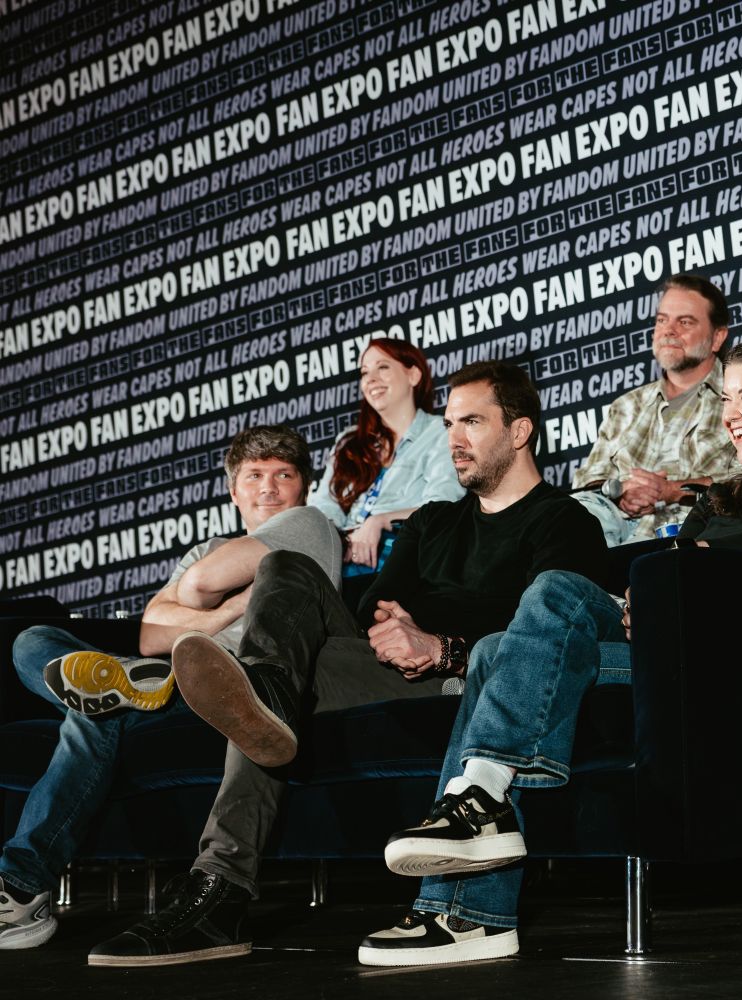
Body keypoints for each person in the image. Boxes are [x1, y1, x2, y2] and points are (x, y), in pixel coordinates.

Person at [358, 332, 742, 966]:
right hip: (665, 652)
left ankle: (467, 868)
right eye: (726, 399)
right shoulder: (719, 501)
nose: (730, 412)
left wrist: (694, 567)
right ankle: (470, 890)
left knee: (533, 616)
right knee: (502, 644)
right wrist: (645, 601)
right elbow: (673, 588)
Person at [80, 361, 607, 967]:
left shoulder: (566, 521)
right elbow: (372, 606)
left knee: (267, 684)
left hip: (465, 677)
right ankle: (225, 864)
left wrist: (437, 642)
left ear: (519, 432)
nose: (454, 438)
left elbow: (547, 629)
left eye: (473, 422)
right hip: (380, 664)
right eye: (450, 424)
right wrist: (397, 631)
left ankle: (223, 878)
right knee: (284, 575)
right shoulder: (434, 519)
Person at [0, 426, 343, 951]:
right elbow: (150, 631)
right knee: (33, 641)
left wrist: (200, 603)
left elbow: (199, 584)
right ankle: (124, 687)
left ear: (303, 486)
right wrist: (232, 607)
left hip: (234, 681)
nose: (269, 488)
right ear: (234, 491)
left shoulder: (310, 526)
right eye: (254, 476)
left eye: (284, 475)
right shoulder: (207, 546)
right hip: (168, 677)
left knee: (91, 714)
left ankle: (22, 886)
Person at [572, 274, 742, 545]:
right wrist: (620, 490)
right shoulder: (626, 406)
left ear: (717, 337)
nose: (668, 330)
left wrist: (673, 491)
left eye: (685, 322)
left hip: (691, 546)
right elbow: (586, 484)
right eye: (662, 320)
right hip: (610, 546)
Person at [309, 337, 463, 572]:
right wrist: (338, 541)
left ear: (413, 375)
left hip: (404, 558)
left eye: (383, 367)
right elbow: (324, 508)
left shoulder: (440, 433)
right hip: (341, 561)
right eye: (364, 372)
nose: (370, 379)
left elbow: (443, 507)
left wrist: (381, 521)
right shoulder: (347, 442)